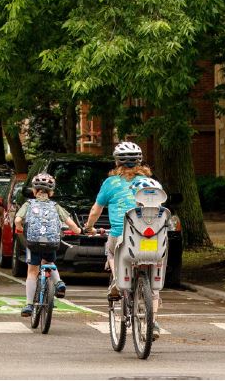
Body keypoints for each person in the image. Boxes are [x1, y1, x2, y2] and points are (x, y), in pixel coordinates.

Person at [83, 141, 162, 340]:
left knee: (110, 250)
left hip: (121, 235)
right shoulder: (150, 183)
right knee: (153, 285)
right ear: (140, 160)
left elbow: (96, 210)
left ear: (117, 161)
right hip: (150, 238)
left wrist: (89, 227)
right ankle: (153, 324)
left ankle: (118, 280)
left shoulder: (110, 183)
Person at [15, 173, 82, 317]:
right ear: (51, 192)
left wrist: (20, 227)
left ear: (34, 191)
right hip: (51, 243)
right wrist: (78, 230)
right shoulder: (55, 206)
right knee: (50, 262)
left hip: (33, 243)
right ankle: (58, 282)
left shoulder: (28, 204)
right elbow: (70, 222)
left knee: (32, 271)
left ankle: (28, 304)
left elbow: (17, 219)